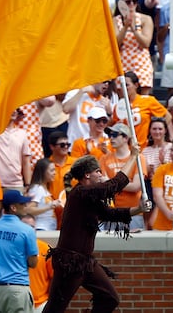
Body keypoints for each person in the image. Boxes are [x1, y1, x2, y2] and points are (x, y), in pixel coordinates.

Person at [42, 154, 151, 313]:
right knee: (55, 308)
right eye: (98, 171)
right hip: (69, 263)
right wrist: (134, 157)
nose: (101, 174)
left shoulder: (88, 196)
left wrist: (139, 209)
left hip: (85, 262)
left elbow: (111, 214)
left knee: (110, 298)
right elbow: (112, 186)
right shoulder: (80, 192)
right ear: (87, 175)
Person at [0, 190, 38, 313]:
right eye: (22, 204)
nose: (25, 206)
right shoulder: (27, 230)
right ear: (13, 208)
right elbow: (33, 263)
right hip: (18, 289)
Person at [99, 123, 149, 231]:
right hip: (112, 213)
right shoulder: (104, 159)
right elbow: (104, 185)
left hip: (133, 213)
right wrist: (115, 184)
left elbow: (136, 186)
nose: (111, 138)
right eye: (109, 135)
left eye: (115, 134)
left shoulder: (139, 158)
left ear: (126, 137)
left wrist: (111, 182)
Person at [112, 72, 167, 149]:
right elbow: (114, 126)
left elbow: (167, 116)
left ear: (136, 85)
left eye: (126, 85)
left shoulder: (148, 100)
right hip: (126, 150)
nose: (123, 88)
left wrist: (160, 137)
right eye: (122, 85)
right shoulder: (118, 106)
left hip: (144, 148)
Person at [19, 214, 53, 313]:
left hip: (40, 303)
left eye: (32, 226)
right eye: (26, 226)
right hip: (17, 303)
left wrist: (50, 300)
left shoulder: (45, 248)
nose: (30, 230)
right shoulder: (11, 248)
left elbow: (54, 276)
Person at [26, 158, 60, 231]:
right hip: (41, 228)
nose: (54, 173)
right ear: (43, 172)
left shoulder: (45, 188)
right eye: (51, 170)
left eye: (54, 170)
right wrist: (49, 206)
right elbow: (29, 209)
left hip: (48, 229)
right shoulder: (37, 189)